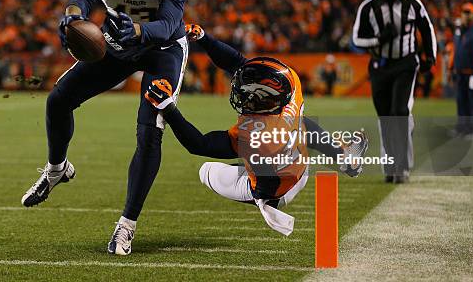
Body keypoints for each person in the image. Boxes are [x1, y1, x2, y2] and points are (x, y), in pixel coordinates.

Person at [21, 0, 196, 256]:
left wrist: (138, 30)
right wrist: (73, 15)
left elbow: (171, 22)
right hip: (117, 42)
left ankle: (126, 225)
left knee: (150, 132)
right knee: (58, 99)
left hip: (162, 48)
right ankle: (57, 169)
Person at [143, 26, 369, 234]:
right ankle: (344, 159)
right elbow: (239, 63)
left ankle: (262, 200)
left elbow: (199, 144)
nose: (244, 98)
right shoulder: (291, 86)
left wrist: (168, 108)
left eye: (250, 98)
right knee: (302, 123)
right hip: (300, 167)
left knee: (206, 170)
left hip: (274, 194)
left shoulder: (256, 137)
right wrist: (204, 38)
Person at [352, 0, 437, 183]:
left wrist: (431, 56)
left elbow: (427, 28)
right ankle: (390, 167)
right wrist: (379, 39)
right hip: (380, 65)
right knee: (385, 117)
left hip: (406, 63)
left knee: (399, 111)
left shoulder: (412, 3)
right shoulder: (368, 7)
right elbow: (356, 39)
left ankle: (402, 167)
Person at [449, 3, 473, 137]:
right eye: (464, 12)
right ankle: (463, 128)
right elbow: (455, 50)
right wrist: (450, 68)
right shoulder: (459, 30)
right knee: (462, 102)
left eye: (469, 12)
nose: (466, 15)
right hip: (461, 73)